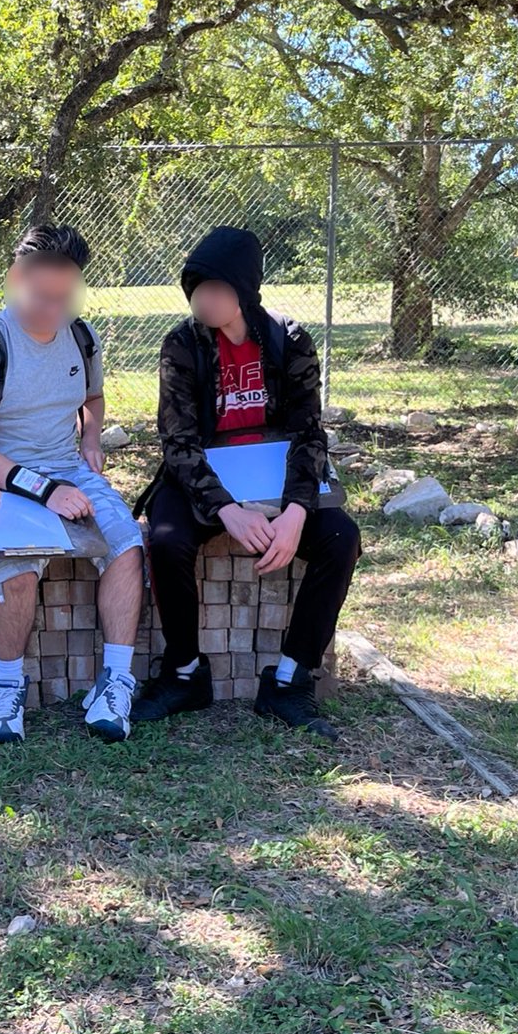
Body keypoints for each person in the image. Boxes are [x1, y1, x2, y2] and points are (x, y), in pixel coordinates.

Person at [132, 226, 361, 740]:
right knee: (166, 540)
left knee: (341, 539)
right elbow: (178, 442)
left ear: (245, 290)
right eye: (195, 288)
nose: (202, 300)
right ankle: (185, 672)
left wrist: (297, 510)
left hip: (279, 477)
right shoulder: (182, 345)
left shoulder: (289, 340)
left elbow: (308, 432)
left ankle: (288, 679)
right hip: (204, 479)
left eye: (216, 288)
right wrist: (227, 510)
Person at [0, 224, 144, 744]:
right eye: (40, 295)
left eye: (64, 296)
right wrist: (47, 491)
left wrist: (92, 438)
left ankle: (115, 682)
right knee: (18, 568)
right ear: (15, 280)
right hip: (4, 479)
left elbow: (92, 399)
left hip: (70, 468)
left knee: (127, 544)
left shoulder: (83, 337)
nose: (52, 308)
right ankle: (7, 687)